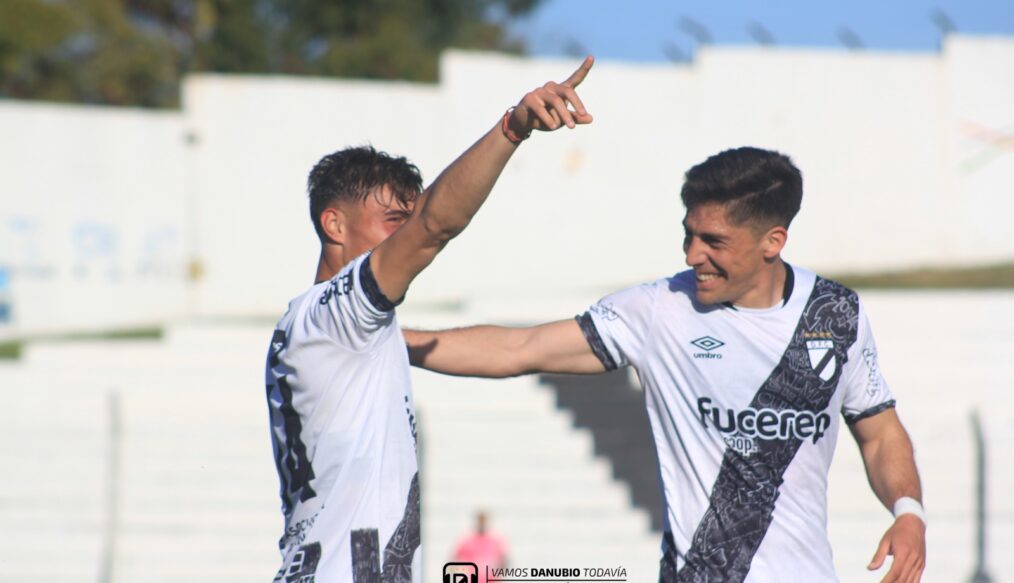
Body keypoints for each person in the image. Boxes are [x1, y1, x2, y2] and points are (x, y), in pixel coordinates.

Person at [404, 147, 926, 582]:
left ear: (773, 241)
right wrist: (392, 341)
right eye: (689, 234)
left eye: (714, 241)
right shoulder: (659, 310)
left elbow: (880, 433)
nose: (692, 255)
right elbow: (520, 350)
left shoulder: (835, 314)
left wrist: (908, 513)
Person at [264, 57, 595, 583]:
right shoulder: (334, 312)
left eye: (406, 222)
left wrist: (627, 336)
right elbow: (436, 225)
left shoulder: (340, 332)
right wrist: (513, 128)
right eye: (394, 222)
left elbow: (514, 351)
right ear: (334, 224)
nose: (404, 239)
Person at [452, 511, 509, 583]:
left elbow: (504, 560)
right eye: (480, 521)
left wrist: (499, 576)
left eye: (484, 521)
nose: (482, 523)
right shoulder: (466, 540)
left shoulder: (496, 540)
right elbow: (455, 559)